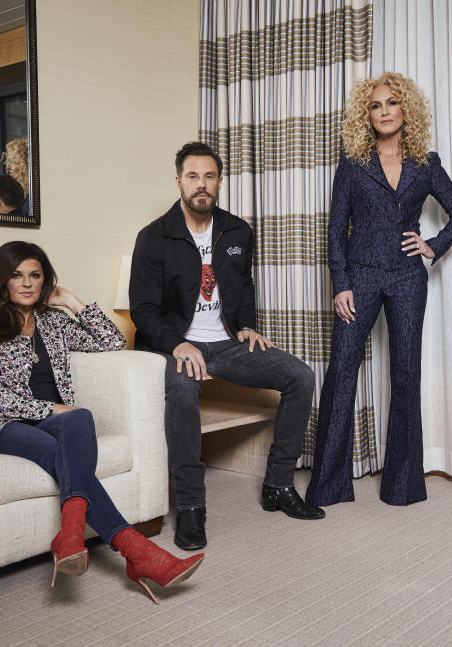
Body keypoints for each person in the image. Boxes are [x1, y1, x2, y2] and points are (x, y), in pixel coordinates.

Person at [0, 241, 204, 604]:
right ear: (1, 281)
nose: (26, 283)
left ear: (45, 281)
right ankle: (138, 554)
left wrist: (71, 300)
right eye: (16, 275)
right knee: (59, 436)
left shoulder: (54, 322)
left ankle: (70, 533)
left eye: (35, 275)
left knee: (80, 416)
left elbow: (112, 341)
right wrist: (49, 409)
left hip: (52, 420)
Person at [130, 141, 323, 552]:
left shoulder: (238, 231)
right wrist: (178, 345)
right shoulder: (153, 238)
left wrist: (247, 326)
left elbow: (244, 285)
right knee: (183, 390)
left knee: (299, 376)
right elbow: (142, 310)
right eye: (193, 176)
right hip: (174, 345)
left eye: (210, 176)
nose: (202, 185)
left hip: (224, 343)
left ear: (220, 181)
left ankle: (278, 485)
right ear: (179, 180)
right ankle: (191, 507)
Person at [306, 72, 452, 507]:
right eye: (375, 106)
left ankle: (402, 486)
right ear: (368, 114)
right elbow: (335, 228)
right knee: (341, 373)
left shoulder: (425, 163)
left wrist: (432, 246)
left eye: (391, 103)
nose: (383, 111)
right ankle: (328, 486)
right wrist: (340, 284)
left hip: (407, 279)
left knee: (406, 375)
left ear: (405, 110)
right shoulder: (353, 164)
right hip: (359, 277)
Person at [2, 137, 31, 216]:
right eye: (8, 161)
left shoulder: (32, 197)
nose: (7, 167)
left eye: (12, 161)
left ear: (24, 163)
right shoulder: (22, 194)